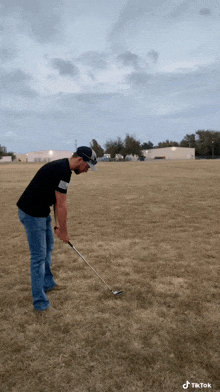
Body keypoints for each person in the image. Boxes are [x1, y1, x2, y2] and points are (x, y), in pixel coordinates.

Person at [17, 146, 97, 312]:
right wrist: (64, 231)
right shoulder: (62, 170)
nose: (86, 171)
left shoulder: (64, 169)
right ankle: (40, 302)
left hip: (42, 211)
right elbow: (61, 205)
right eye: (87, 166)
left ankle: (47, 283)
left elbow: (55, 200)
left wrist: (59, 226)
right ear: (80, 160)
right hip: (32, 213)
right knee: (38, 257)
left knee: (48, 248)